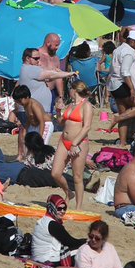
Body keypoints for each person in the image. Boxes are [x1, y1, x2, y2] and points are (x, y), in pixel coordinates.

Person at [53, 81, 94, 209]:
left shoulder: (86, 105)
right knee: (55, 173)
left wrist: (75, 143)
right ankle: (68, 193)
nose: (68, 91)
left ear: (74, 90)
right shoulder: (71, 105)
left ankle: (78, 207)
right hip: (64, 141)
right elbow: (61, 123)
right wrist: (58, 111)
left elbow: (87, 127)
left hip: (79, 142)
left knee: (77, 176)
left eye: (70, 89)